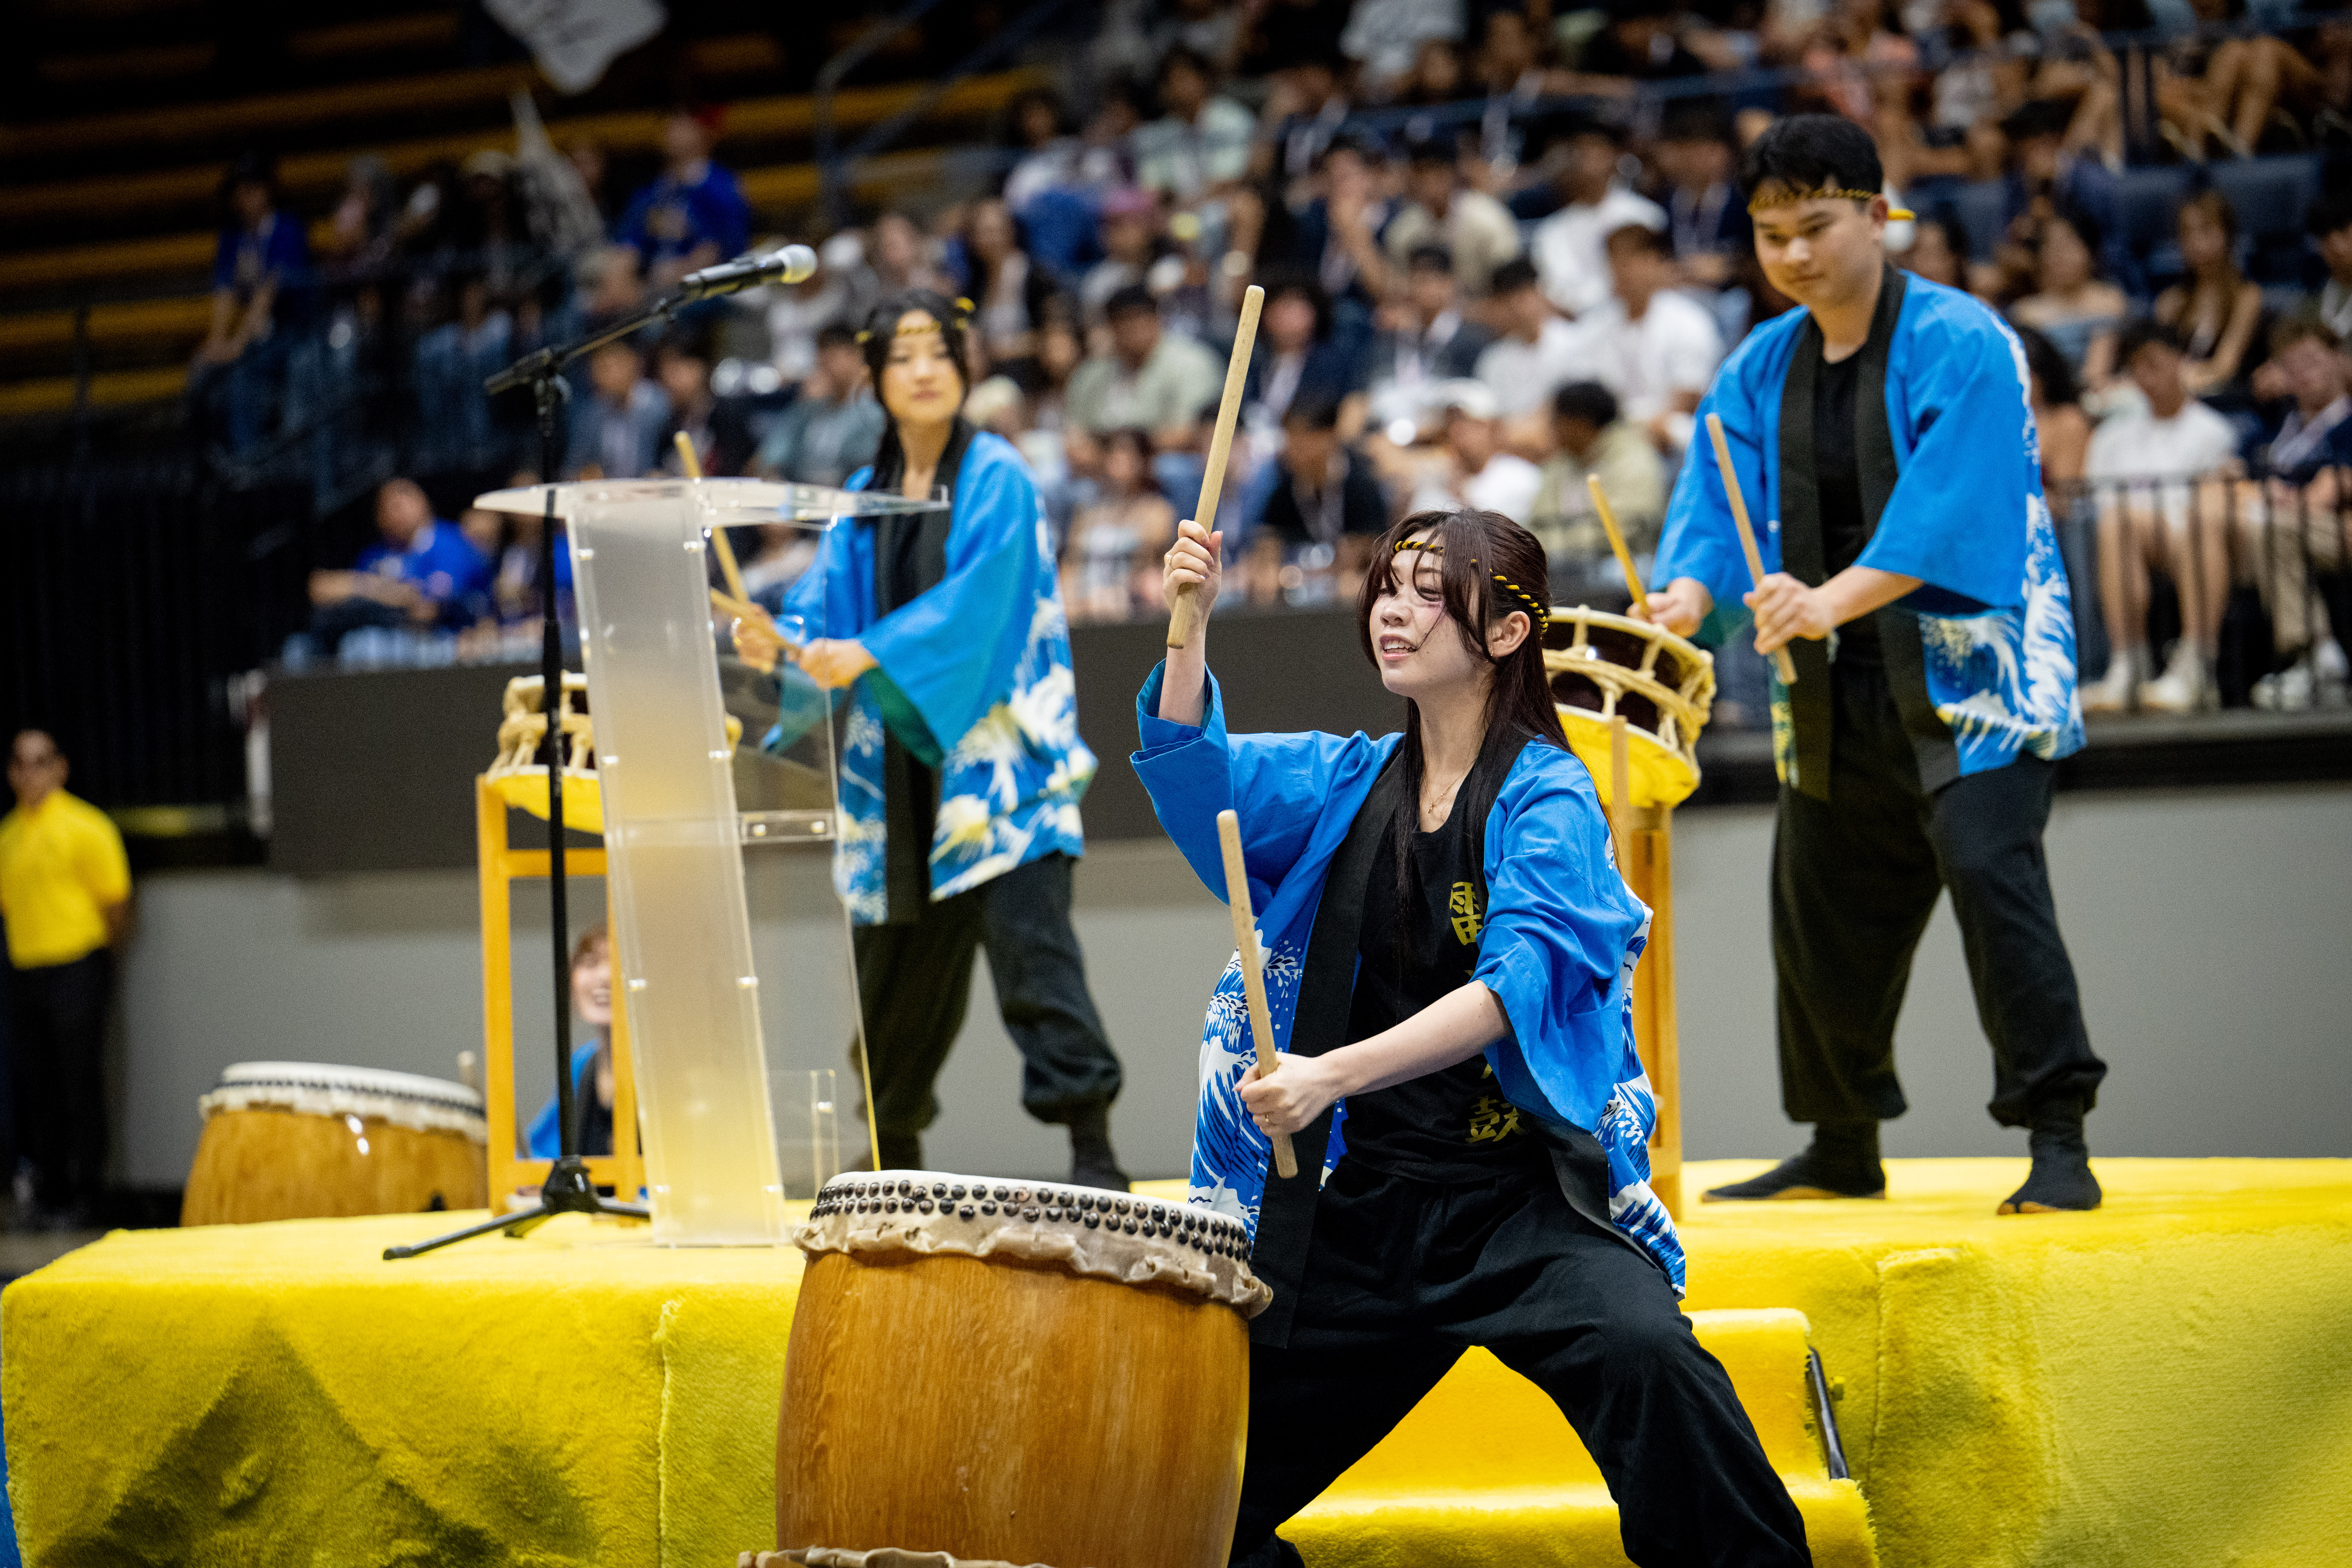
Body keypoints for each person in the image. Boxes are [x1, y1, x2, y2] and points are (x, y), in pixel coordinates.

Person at [1139, 507, 1812, 1568]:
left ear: (1504, 632)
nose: (1393, 612)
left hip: (1518, 1199)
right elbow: (1194, 767)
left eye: (1425, 590)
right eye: (1387, 588)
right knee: (1187, 1484)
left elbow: (1517, 985)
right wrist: (1189, 631)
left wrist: (1331, 1075)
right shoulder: (1350, 781)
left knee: (1649, 1359)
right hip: (1366, 1214)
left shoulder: (1547, 792)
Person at [1646, 115, 2106, 1217]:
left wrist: (1828, 599)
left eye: (1813, 226)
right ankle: (1839, 1139)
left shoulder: (1963, 339)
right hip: (1832, 687)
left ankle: (2056, 1138)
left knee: (1996, 891)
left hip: (1977, 681)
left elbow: (1952, 505)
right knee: (1817, 907)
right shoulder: (1760, 366)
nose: (1793, 255)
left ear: (1873, 212)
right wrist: (1688, 597)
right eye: (1768, 235)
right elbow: (1714, 502)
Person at [736, 291, 1130, 1190]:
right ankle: (892, 1149)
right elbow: (822, 612)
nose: (922, 368)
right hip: (896, 766)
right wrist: (779, 642)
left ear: (963, 366)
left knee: (1036, 965)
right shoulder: (867, 500)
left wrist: (864, 651)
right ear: (875, 379)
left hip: (997, 765)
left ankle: (1091, 1146)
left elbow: (981, 605)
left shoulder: (998, 472)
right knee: (891, 984)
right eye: (902, 354)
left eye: (938, 351)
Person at [0, 730, 132, 1227]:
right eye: (21, 764)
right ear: (12, 773)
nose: (30, 773)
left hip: (78, 965)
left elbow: (118, 906)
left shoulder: (86, 826)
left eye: (40, 762)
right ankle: (50, 1192)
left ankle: (90, 1195)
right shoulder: (9, 835)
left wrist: (103, 965)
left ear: (60, 768)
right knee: (40, 1087)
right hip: (25, 971)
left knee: (82, 1085)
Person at [2080, 320, 2242, 715]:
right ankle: (2127, 664)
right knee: (2118, 522)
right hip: (2126, 539)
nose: (2146, 376)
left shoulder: (2213, 431)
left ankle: (2196, 665)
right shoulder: (2111, 435)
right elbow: (2095, 503)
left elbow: (2210, 504)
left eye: (2155, 364)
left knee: (2196, 523)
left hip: (2194, 537)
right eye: (2137, 367)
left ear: (2180, 362)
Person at [2237, 317, 2352, 711]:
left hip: (2339, 531)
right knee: (2263, 525)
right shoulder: (2275, 427)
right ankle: (2320, 659)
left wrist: (2278, 497)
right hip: (2286, 528)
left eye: (2313, 360)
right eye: (2292, 365)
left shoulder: (2347, 423)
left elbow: (2332, 490)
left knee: (2274, 526)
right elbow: (2233, 478)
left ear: (2340, 361)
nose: (2303, 373)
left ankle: (2314, 656)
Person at [1568, 224, 1725, 457]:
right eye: (1613, 263)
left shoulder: (1689, 320)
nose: (1620, 272)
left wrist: (1644, 428)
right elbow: (1586, 393)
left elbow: (1688, 397)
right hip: (1612, 432)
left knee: (1675, 428)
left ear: (1654, 262)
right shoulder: (1595, 326)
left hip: (1669, 431)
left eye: (1629, 262)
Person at [194, 152, 313, 453]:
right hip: (258, 336)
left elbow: (268, 291)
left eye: (249, 190)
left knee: (242, 371)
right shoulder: (233, 236)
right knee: (201, 371)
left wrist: (238, 345)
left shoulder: (287, 229)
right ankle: (206, 462)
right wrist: (218, 340)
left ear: (266, 190)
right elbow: (225, 291)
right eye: (238, 191)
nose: (242, 198)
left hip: (293, 333)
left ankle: (249, 459)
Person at [305, 478, 492, 652]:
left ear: (422, 505)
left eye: (397, 506)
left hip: (447, 640)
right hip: (391, 637)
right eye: (383, 508)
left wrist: (365, 590)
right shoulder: (378, 553)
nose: (390, 514)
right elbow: (320, 588)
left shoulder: (451, 543)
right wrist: (382, 590)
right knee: (301, 648)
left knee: (367, 645)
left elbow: (427, 609)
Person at [1526, 380, 1668, 581]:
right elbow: (1538, 524)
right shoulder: (1557, 465)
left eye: (1555, 421)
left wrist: (1556, 545)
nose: (1551, 429)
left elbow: (1627, 528)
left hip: (1623, 565)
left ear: (1578, 423)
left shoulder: (1635, 458)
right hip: (1561, 568)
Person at [1528, 120, 1667, 320]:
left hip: (1638, 318)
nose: (1588, 162)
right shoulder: (1550, 231)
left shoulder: (1646, 216)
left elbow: (1654, 279)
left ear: (1614, 157)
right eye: (1580, 154)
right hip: (1574, 328)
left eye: (1596, 152)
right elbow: (1553, 291)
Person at [1066, 285, 1224, 450]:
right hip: (1101, 466)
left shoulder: (1191, 362)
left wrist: (1131, 452)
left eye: (1139, 317)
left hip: (1167, 464)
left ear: (1158, 319)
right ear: (1111, 327)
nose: (1133, 328)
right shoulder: (1092, 373)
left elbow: (1197, 433)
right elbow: (1074, 432)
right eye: (1123, 320)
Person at [614, 107, 751, 293]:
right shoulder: (654, 191)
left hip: (708, 287)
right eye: (671, 124)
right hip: (654, 284)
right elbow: (630, 244)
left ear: (703, 134)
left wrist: (663, 282)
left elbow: (717, 251)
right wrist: (619, 283)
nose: (672, 130)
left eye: (682, 124)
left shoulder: (720, 188)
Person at [2153, 189, 2266, 399]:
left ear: (2227, 233)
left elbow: (2225, 367)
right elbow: (2160, 365)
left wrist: (2181, 381)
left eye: (2206, 231)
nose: (2197, 242)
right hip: (2177, 402)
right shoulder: (2169, 301)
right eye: (2188, 233)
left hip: (2225, 401)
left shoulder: (2246, 296)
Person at [1062, 428, 1178, 622]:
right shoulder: (1087, 512)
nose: (1120, 459)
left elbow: (1154, 570)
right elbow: (1070, 565)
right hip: (1083, 609)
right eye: (1115, 452)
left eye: (1128, 452)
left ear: (1144, 461)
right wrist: (1071, 602)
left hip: (1132, 610)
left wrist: (1115, 597)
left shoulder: (1158, 511)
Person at [1381, 139, 1522, 297]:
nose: (1428, 181)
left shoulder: (1487, 219)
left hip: (1489, 308)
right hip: (1430, 316)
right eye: (1419, 173)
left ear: (1454, 174)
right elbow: (1399, 291)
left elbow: (1514, 285)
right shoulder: (1402, 231)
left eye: (1437, 173)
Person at [2006, 207, 2126, 390]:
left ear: (2089, 250)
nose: (2061, 255)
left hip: (2096, 394)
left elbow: (2096, 374)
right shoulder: (2025, 312)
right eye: (2052, 247)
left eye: (2069, 245)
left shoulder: (2109, 300)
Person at [527, 922, 620, 1157]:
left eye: (617, 963)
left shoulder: (661, 1070)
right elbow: (540, 1152)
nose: (604, 976)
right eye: (590, 963)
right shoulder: (581, 1064)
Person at [756, 324, 886, 488]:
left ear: (857, 356)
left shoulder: (872, 412)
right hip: (800, 498)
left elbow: (865, 466)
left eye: (835, 353)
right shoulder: (808, 408)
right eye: (822, 352)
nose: (826, 361)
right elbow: (771, 457)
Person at [1256, 396, 1389, 548]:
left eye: (1301, 440)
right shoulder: (1283, 495)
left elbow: (1376, 545)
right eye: (1289, 440)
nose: (1291, 451)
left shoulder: (1364, 483)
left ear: (1329, 436)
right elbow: (1268, 544)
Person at [1473, 258, 1582, 420]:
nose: (1519, 307)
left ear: (1540, 292)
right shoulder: (1493, 361)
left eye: (1525, 295)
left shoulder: (1577, 342)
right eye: (1510, 300)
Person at [566, 337, 671, 479]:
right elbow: (573, 467)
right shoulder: (592, 414)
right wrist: (585, 474)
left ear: (634, 363)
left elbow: (668, 460)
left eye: (609, 366)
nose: (601, 375)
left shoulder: (660, 406)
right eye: (597, 368)